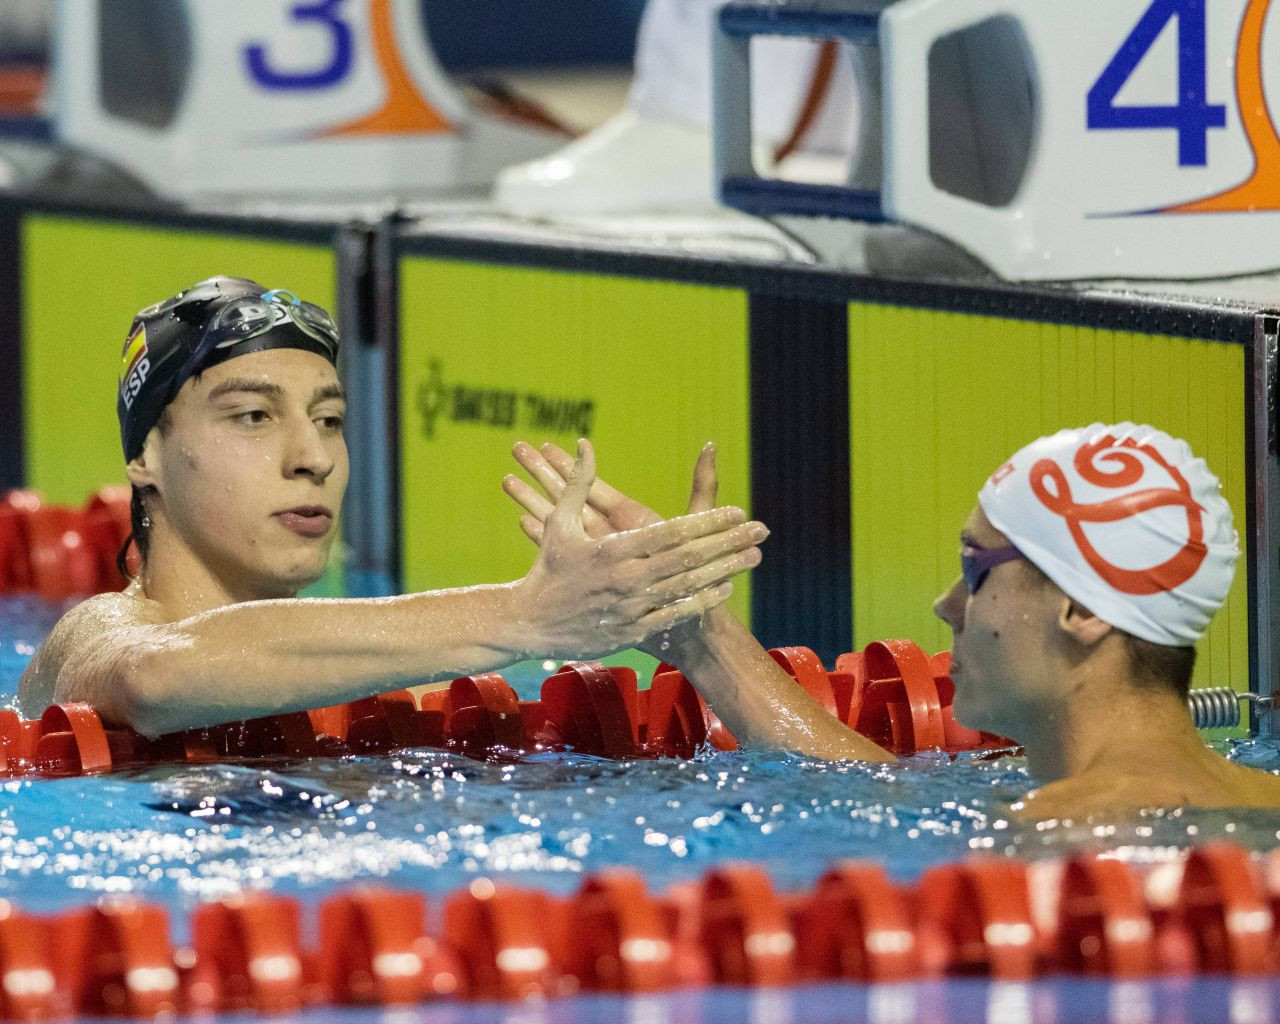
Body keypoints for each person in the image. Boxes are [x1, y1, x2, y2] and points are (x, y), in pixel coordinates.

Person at [17, 277, 767, 737]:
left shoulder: (377, 689)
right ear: (145, 456)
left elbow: (881, 807)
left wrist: (704, 643)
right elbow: (154, 679)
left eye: (330, 419)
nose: (311, 456)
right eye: (253, 416)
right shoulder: (98, 637)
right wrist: (525, 617)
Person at [503, 424, 1280, 817]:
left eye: (976, 569)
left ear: (1081, 610)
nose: (946, 604)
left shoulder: (1058, 835)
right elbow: (878, 789)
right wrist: (701, 637)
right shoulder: (1259, 800)